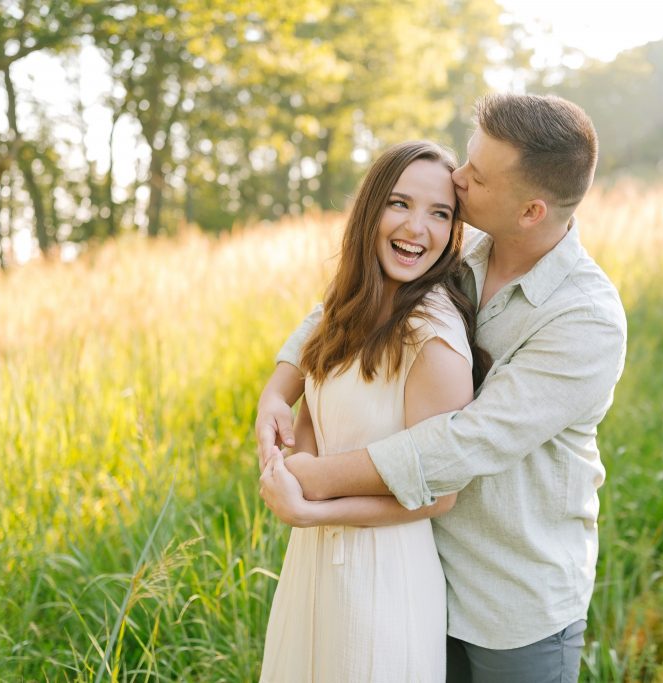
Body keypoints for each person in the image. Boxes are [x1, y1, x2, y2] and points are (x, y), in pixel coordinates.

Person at [259, 93, 627, 682]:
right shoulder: (464, 256)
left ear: (530, 210)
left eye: (476, 175)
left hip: (511, 599)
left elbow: (463, 443)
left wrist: (313, 478)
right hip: (420, 571)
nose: (456, 178)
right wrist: (280, 387)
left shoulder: (584, 320)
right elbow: (353, 300)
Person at [257, 140, 489, 682]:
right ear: (370, 209)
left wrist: (312, 509)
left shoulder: (431, 335)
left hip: (383, 579)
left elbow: (441, 493)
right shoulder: (351, 305)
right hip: (312, 567)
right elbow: (312, 371)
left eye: (440, 214)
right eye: (400, 203)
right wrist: (275, 396)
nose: (417, 228)